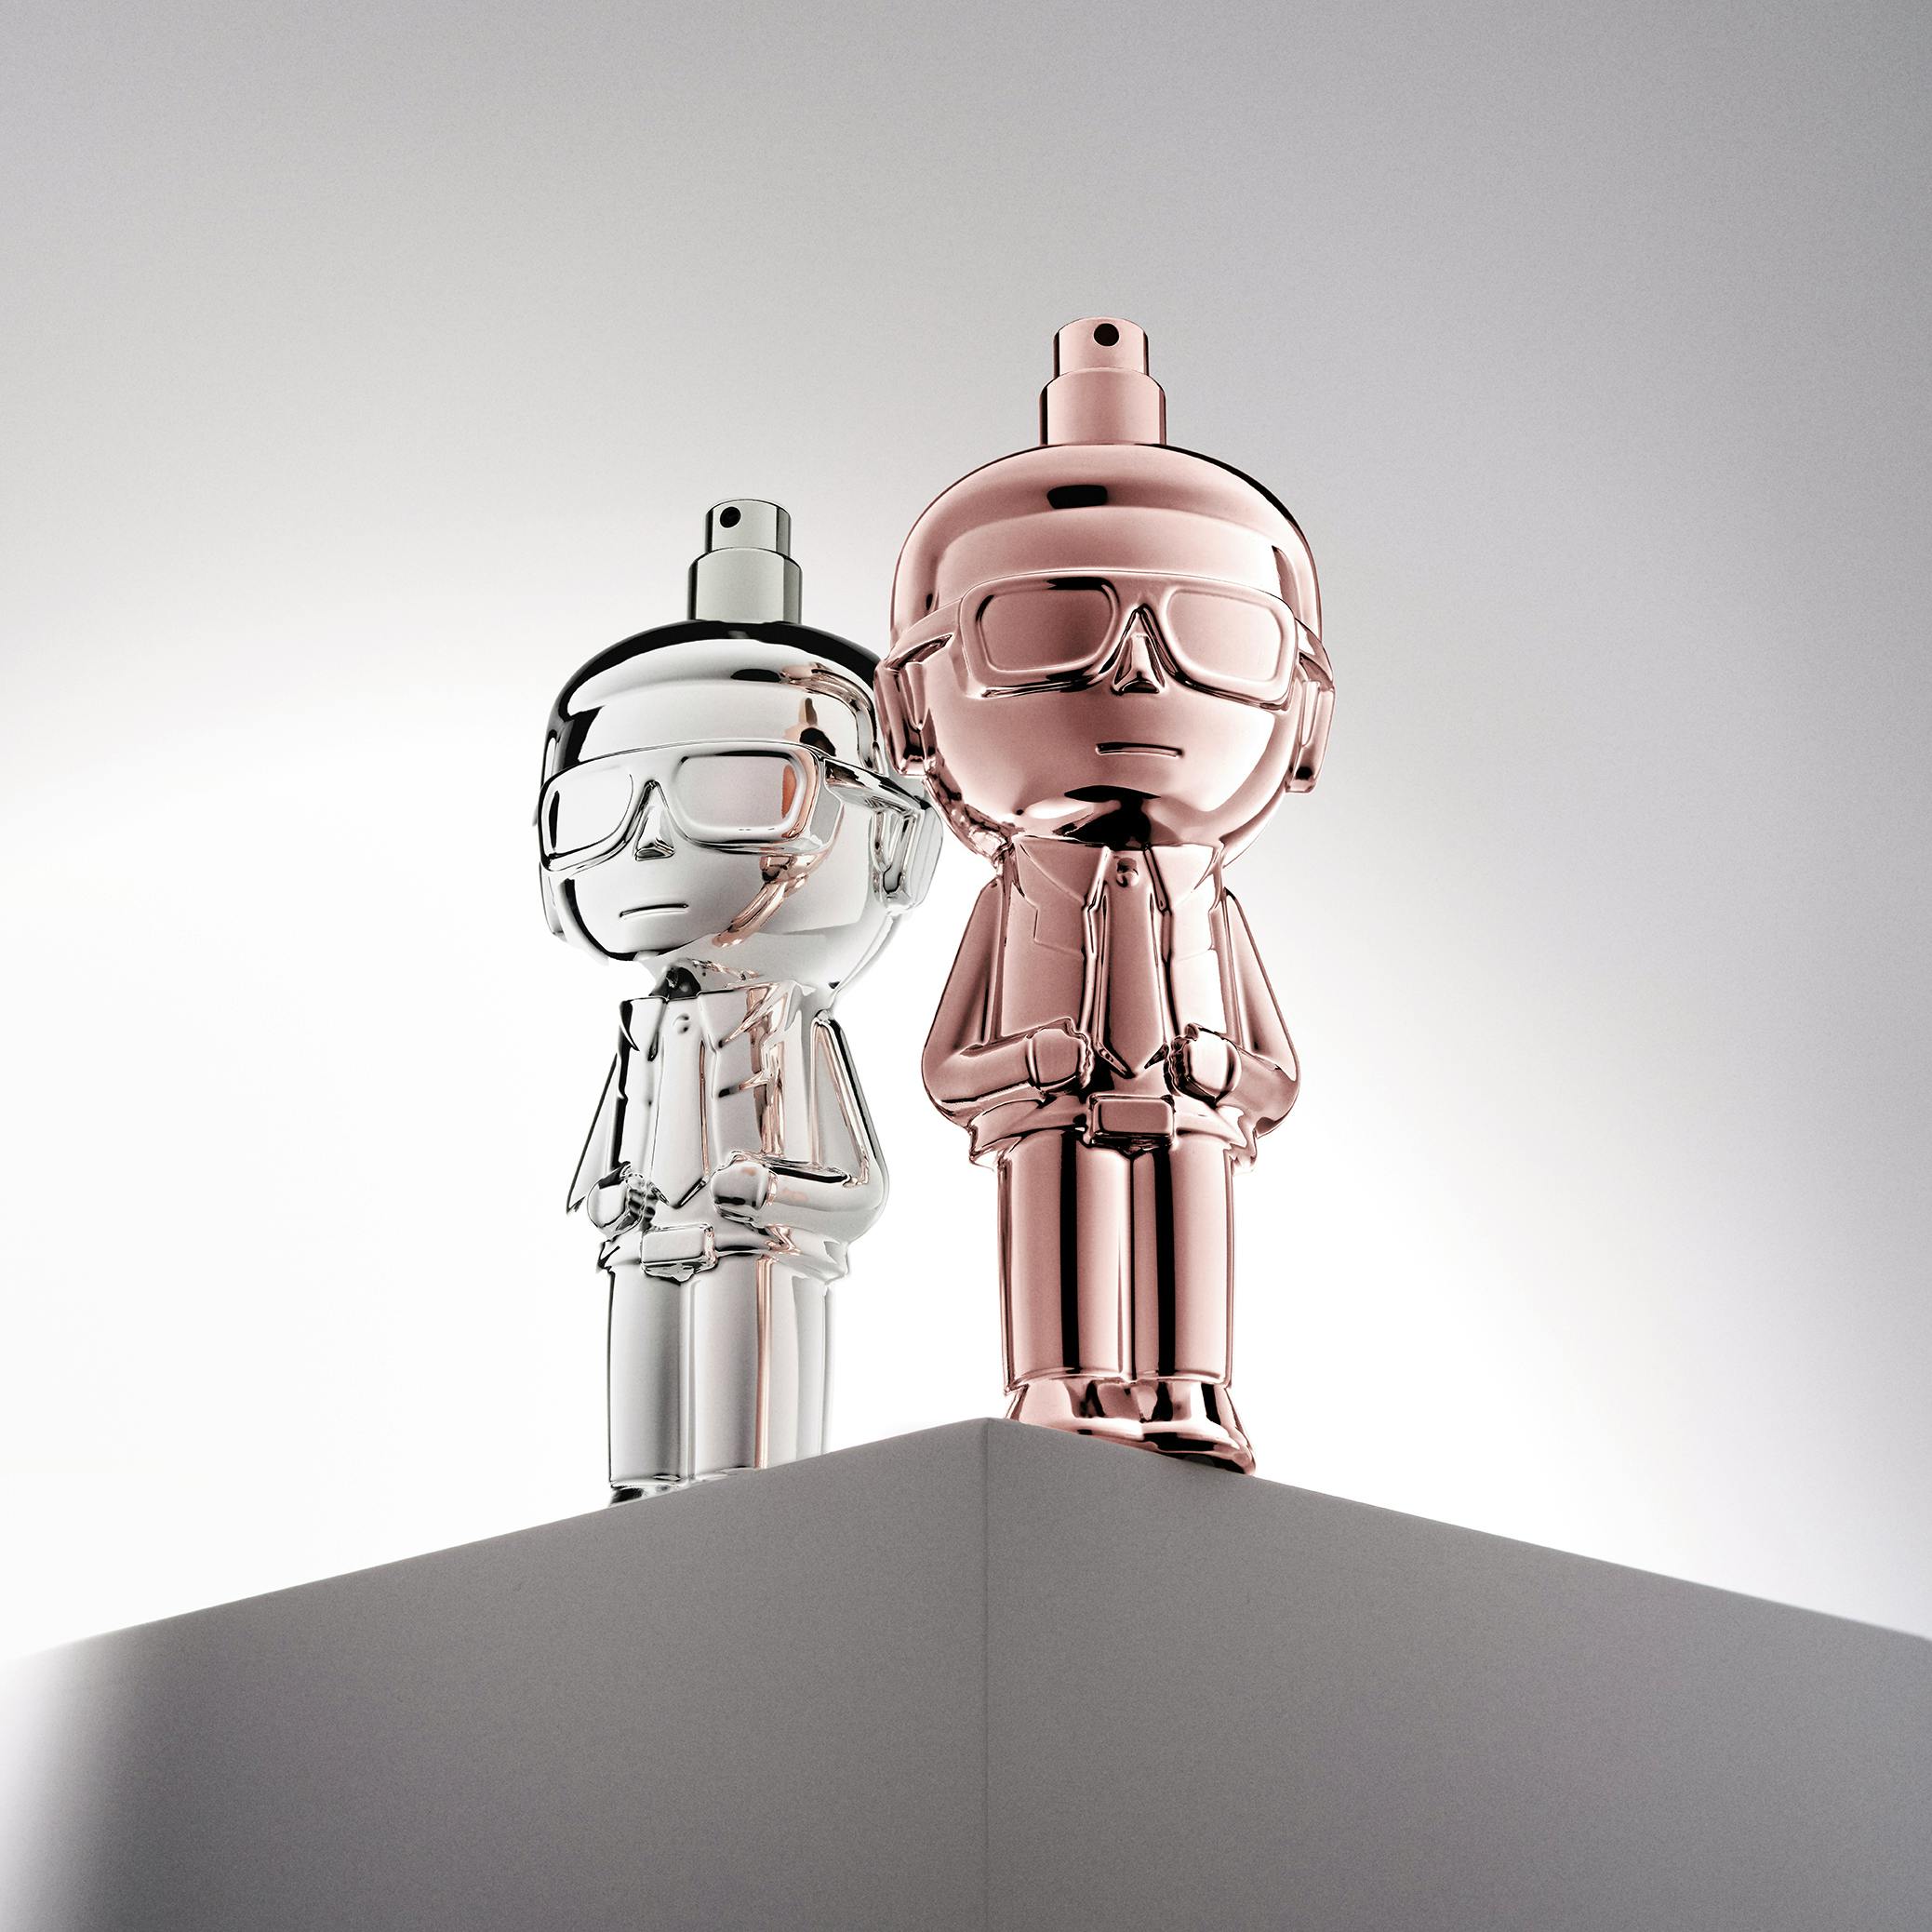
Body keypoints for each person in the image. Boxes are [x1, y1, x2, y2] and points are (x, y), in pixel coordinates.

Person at [880, 321, 1334, 1472]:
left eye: (1212, 633)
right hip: (1049, 1118)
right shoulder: (1018, 893)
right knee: (1058, 1225)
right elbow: (944, 1064)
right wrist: (1032, 1062)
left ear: (1305, 716)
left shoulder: (1208, 902)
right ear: (912, 707)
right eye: (1051, 628)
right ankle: (1058, 1381)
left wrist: (1224, 1072)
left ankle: (1191, 1390)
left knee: (1190, 1224)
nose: (1135, 668)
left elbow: (1279, 1071)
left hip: (1191, 1117)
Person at [540, 500, 938, 1497]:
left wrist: (768, 1193)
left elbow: (859, 1185)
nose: (652, 839)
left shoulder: (795, 1025)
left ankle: (745, 1501)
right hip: (645, 1246)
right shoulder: (644, 1025)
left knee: (745, 1467)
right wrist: (609, 1196)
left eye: (735, 788)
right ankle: (641, 1494)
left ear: (892, 839)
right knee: (641, 1438)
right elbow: (599, 1157)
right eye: (597, 809)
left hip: (759, 1251)